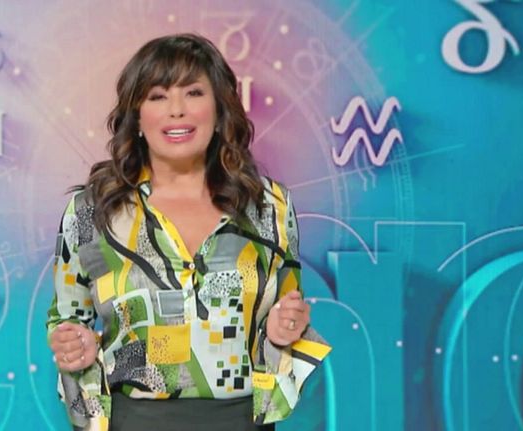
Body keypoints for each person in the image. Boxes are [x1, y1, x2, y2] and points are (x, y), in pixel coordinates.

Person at [46, 33, 331, 431]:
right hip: (134, 421)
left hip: (241, 422)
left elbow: (286, 320)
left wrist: (285, 330)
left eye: (193, 93)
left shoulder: (269, 207)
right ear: (137, 116)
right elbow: (66, 321)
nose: (177, 110)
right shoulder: (92, 212)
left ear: (219, 109)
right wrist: (73, 348)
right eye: (158, 96)